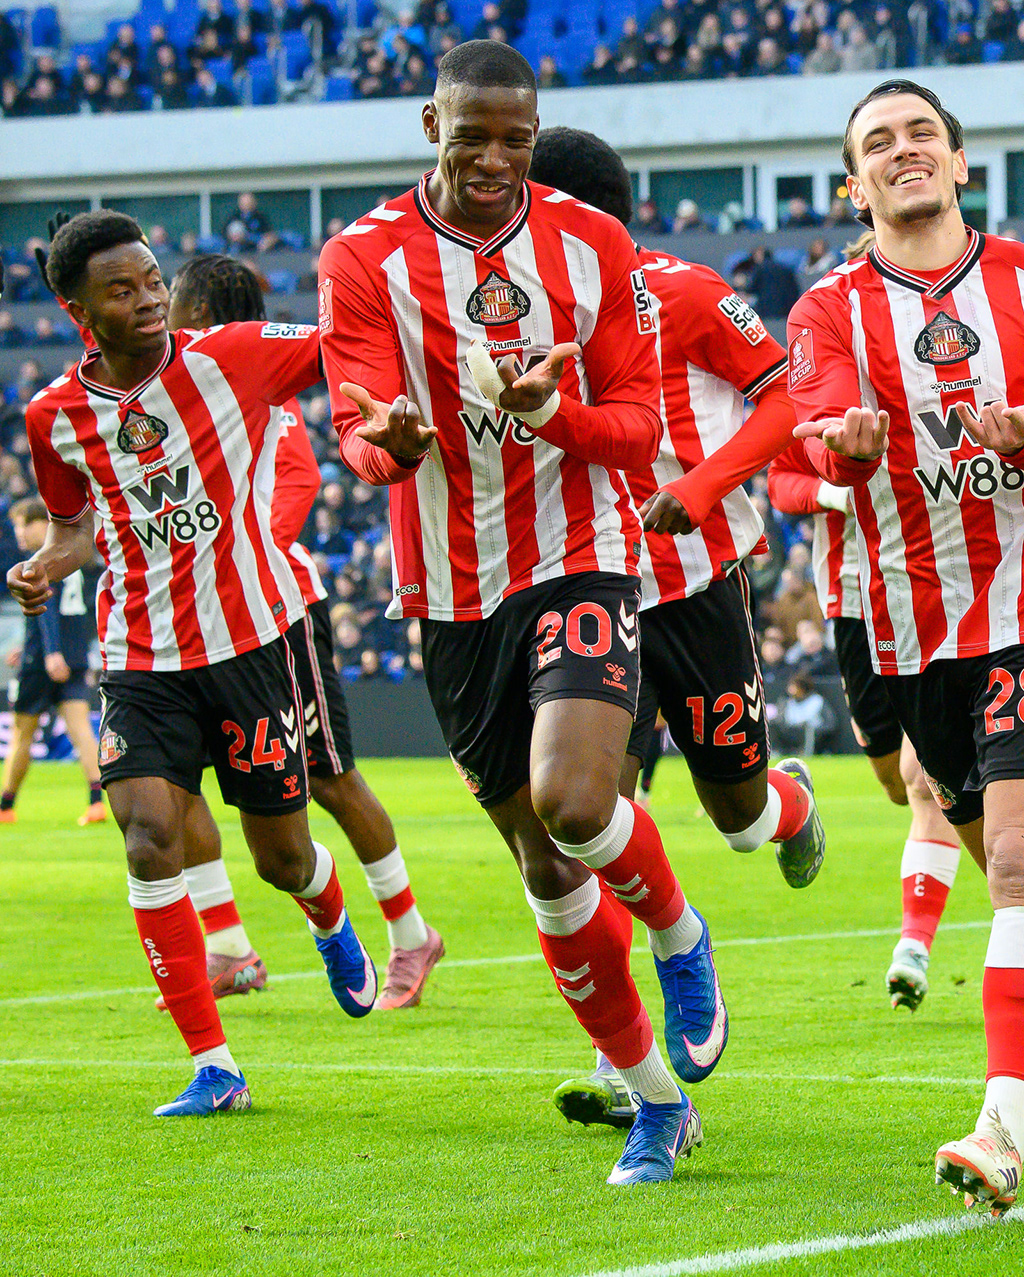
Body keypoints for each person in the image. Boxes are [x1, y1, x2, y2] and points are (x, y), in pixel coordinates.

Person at [317, 41, 714, 1187]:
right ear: (428, 125)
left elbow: (639, 427)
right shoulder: (363, 257)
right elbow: (356, 426)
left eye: (516, 139)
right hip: (450, 594)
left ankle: (680, 934)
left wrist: (558, 415)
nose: (494, 159)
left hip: (580, 554)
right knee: (545, 865)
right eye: (472, 136)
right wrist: (388, 444)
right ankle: (656, 1102)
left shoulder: (592, 244)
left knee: (577, 802)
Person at [790, 78, 1024, 1216]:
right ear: (854, 185)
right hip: (907, 630)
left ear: (959, 162)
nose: (903, 150)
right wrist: (846, 451)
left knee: (1014, 863)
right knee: (980, 837)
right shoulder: (825, 312)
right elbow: (807, 449)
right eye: (878, 142)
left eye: (922, 134)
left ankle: (1002, 1125)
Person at [14, 210, 380, 1118]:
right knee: (147, 837)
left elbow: (346, 344)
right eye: (122, 290)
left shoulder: (233, 355)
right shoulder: (54, 416)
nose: (148, 300)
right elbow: (72, 529)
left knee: (282, 858)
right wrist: (45, 564)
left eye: (152, 280)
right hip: (140, 656)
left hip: (250, 644)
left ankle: (329, 909)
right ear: (77, 312)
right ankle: (215, 1067)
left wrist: (382, 415)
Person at [523, 127, 829, 1127]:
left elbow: (786, 399)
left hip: (693, 584)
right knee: (586, 821)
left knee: (738, 816)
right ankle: (629, 1063)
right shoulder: (511, 311)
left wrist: (699, 488)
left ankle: (789, 805)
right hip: (582, 588)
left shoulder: (682, 291)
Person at [153, 253, 445, 1011]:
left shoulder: (247, 386)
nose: (162, 313)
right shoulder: (165, 391)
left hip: (278, 612)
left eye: (171, 299)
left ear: (200, 312)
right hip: (189, 624)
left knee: (329, 777)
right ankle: (227, 947)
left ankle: (411, 933)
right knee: (177, 783)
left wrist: (241, 555)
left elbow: (301, 477)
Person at [767, 435, 961, 1012]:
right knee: (896, 782)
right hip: (853, 601)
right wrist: (831, 492)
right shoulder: (813, 401)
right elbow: (781, 482)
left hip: (931, 588)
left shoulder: (928, 392)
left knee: (925, 779)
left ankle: (913, 946)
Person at [2, 497, 106, 826]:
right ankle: (96, 803)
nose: (19, 532)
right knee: (81, 730)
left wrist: (49, 651)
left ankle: (5, 806)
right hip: (74, 654)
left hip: (45, 660)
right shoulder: (76, 559)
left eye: (23, 524)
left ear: (42, 524)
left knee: (22, 732)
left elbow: (46, 611)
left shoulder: (43, 561)